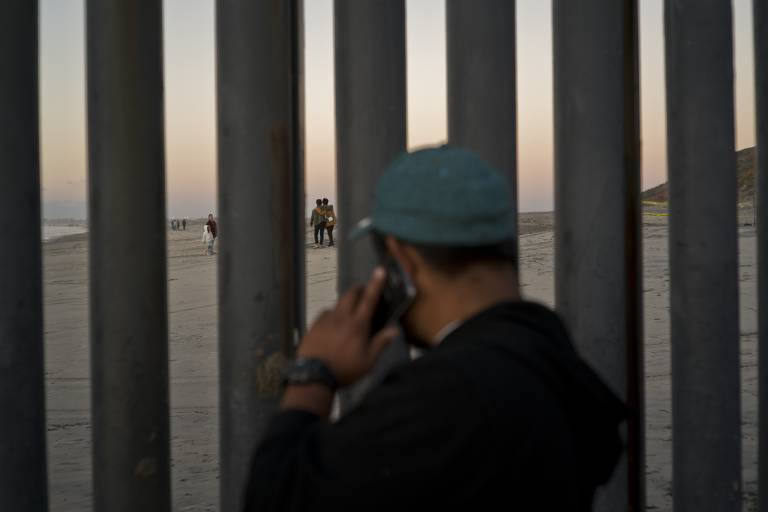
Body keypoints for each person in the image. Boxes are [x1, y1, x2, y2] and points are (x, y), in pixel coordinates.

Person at [243, 146, 626, 511]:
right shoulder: (551, 354)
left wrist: (314, 372)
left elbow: (276, 498)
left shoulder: (453, 393)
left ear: (401, 261)